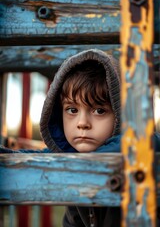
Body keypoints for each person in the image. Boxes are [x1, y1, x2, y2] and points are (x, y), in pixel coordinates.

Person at [0, 49, 160, 226]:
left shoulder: (142, 143)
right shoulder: (69, 159)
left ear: (121, 116)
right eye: (72, 110)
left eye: (99, 111)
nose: (82, 123)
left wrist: (74, 162)